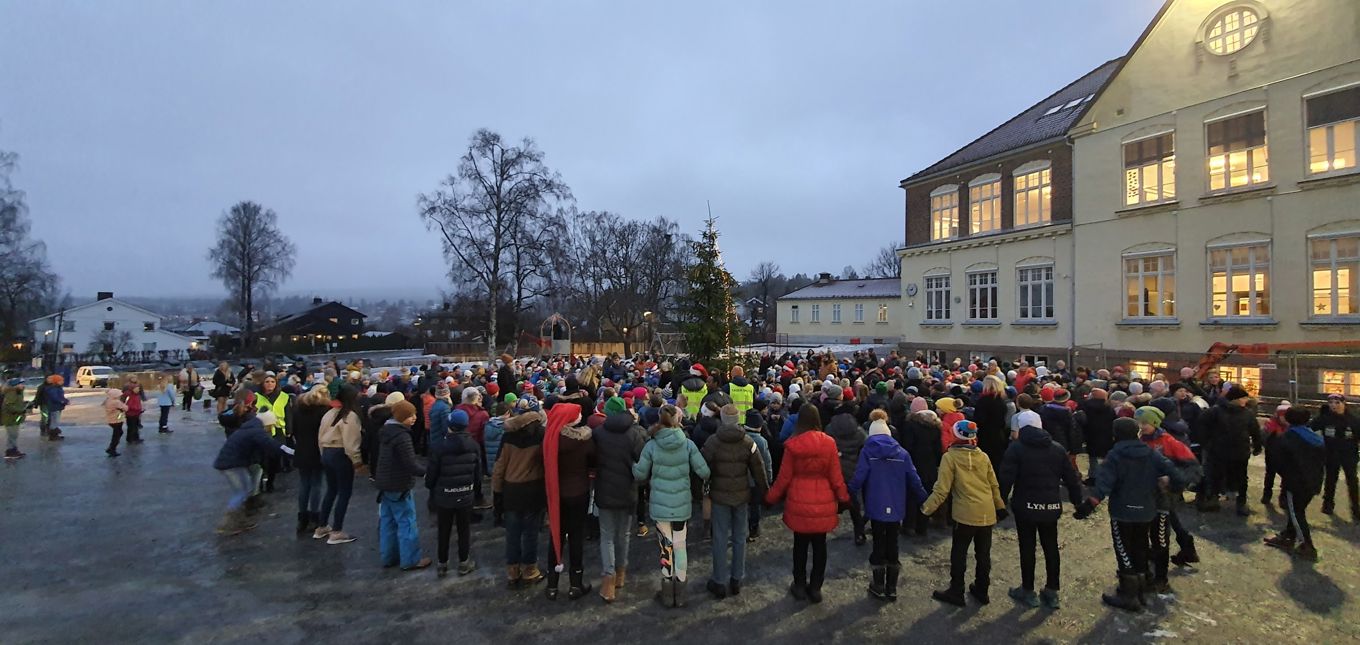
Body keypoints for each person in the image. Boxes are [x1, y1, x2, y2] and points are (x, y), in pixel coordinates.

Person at [1079, 417, 1188, 613]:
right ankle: (1142, 586)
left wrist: (1089, 505)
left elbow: (1103, 484)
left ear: (1116, 434)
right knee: (1140, 547)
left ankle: (1128, 594)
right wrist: (1171, 487)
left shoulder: (1115, 456)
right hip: (1147, 510)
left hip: (1123, 511)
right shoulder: (1151, 453)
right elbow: (1177, 475)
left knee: (1123, 549)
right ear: (1136, 433)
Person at [998, 412, 1084, 609]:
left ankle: (1028, 590)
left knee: (1027, 548)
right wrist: (1078, 502)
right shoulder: (1057, 448)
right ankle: (1052, 590)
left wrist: (1000, 503)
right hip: (1050, 505)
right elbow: (1071, 478)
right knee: (1051, 547)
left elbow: (1006, 478)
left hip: (1025, 505)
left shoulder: (1017, 449)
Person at [764, 405, 848, 604]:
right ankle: (816, 587)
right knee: (820, 547)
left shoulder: (793, 444)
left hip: (799, 502)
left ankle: (799, 584)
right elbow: (836, 476)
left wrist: (770, 498)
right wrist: (844, 498)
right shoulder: (829, 443)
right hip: (823, 501)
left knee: (800, 547)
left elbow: (784, 478)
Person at [922, 420, 1007, 607]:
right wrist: (1000, 506)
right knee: (983, 553)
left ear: (955, 435)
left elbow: (942, 490)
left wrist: (926, 509)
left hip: (965, 513)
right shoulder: (983, 456)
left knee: (959, 552)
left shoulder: (950, 457)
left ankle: (956, 590)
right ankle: (982, 589)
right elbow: (993, 484)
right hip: (986, 512)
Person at [634, 404, 711, 608]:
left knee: (665, 547)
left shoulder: (651, 445)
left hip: (660, 506)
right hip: (681, 504)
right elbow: (704, 471)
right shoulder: (687, 444)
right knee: (680, 546)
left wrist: (632, 465)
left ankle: (667, 592)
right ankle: (682, 591)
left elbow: (640, 474)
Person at [849, 409, 927, 602]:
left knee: (878, 542)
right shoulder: (902, 453)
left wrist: (847, 493)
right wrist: (925, 499)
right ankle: (891, 587)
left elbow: (859, 477)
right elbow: (914, 479)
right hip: (896, 505)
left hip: (875, 504)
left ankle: (878, 584)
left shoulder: (868, 451)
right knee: (893, 542)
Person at [701, 403, 770, 600]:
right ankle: (737, 578)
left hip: (720, 495)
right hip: (741, 495)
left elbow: (702, 466)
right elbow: (759, 468)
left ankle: (719, 580)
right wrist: (765, 492)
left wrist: (700, 492)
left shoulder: (713, 441)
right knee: (740, 537)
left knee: (720, 538)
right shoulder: (748, 441)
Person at [1133, 406, 1202, 594]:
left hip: (1162, 495)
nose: (1141, 426)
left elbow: (1193, 468)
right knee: (1159, 525)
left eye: (1145, 423)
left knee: (1160, 533)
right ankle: (1185, 548)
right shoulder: (1137, 440)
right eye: (1138, 423)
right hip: (1145, 496)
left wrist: (1172, 480)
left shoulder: (1169, 442)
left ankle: (1161, 577)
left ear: (1154, 423)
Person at [213, 392, 293, 535]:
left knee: (246, 489)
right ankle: (227, 524)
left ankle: (240, 519)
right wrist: (293, 453)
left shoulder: (251, 424)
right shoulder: (257, 431)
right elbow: (272, 445)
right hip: (231, 464)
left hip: (232, 461)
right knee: (241, 492)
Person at [593, 396, 647, 602]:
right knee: (623, 534)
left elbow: (592, 460)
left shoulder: (598, 433)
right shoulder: (634, 433)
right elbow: (641, 460)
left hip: (604, 489)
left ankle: (608, 580)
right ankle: (621, 574)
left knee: (606, 535)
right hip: (628, 490)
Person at [543, 402, 598, 601]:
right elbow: (593, 461)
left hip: (556, 492)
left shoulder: (550, 438)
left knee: (556, 535)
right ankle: (576, 583)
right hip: (579, 492)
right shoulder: (584, 440)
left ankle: (552, 585)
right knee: (576, 537)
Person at [493, 396, 548, 589]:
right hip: (534, 488)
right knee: (531, 533)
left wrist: (497, 492)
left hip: (512, 489)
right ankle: (530, 570)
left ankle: (512, 571)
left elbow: (499, 467)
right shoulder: (541, 433)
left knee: (513, 533)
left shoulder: (508, 435)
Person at [1265, 407, 1327, 561]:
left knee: (1296, 512)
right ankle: (1288, 534)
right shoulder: (1315, 437)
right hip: (1314, 480)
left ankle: (1307, 545)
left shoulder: (1287, 438)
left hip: (1296, 482)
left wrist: (1286, 476)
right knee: (1297, 510)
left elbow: (1278, 461)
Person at [375, 399, 430, 570]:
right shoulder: (402, 436)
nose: (414, 418)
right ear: (400, 417)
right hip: (399, 483)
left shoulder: (386, 432)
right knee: (406, 522)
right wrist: (427, 472)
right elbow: (410, 463)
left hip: (384, 482)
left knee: (388, 522)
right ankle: (411, 559)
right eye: (410, 415)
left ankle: (388, 557)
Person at [1197, 385, 1261, 516]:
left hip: (1238, 452)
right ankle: (1215, 499)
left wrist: (1257, 445)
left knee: (1240, 478)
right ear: (1236, 399)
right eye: (1244, 398)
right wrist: (1206, 443)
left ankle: (1240, 500)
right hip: (1220, 450)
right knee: (1216, 475)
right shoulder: (1216, 412)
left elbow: (1255, 431)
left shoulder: (1246, 413)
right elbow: (1202, 427)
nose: (1246, 400)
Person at [315, 385, 365, 545]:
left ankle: (322, 526)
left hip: (327, 452)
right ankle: (337, 531)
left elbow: (320, 436)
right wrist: (357, 462)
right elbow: (351, 443)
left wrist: (323, 454)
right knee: (344, 492)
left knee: (331, 490)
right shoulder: (350, 417)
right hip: (341, 454)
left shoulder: (329, 413)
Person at [825, 391, 868, 546]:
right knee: (854, 503)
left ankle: (818, 531)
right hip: (853, 469)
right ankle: (859, 531)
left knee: (827, 501)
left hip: (835, 469)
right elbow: (865, 447)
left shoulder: (830, 428)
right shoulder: (858, 431)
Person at [291, 385, 330, 536]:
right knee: (317, 484)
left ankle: (302, 518)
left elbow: (293, 430)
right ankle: (315, 517)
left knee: (304, 484)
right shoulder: (323, 412)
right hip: (317, 451)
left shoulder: (298, 410)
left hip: (301, 450)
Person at [1313, 393, 1358, 520]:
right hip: (1331, 454)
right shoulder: (1324, 418)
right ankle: (1328, 503)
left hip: (1349, 455)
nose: (1334, 405)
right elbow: (1309, 428)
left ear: (1344, 404)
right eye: (1331, 403)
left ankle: (1355, 507)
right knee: (1331, 480)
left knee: (1352, 481)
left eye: (1337, 403)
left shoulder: (1353, 419)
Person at [903, 405, 943, 536]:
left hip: (914, 464)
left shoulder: (911, 426)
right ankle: (922, 526)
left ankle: (909, 525)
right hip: (930, 467)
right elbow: (938, 450)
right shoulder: (936, 429)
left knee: (911, 496)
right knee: (926, 496)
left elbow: (907, 446)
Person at [256, 374, 290, 492]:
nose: (270, 384)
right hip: (263, 430)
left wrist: (290, 430)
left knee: (275, 458)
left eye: (272, 382)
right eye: (267, 382)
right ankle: (259, 483)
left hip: (279, 430)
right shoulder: (257, 397)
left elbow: (288, 413)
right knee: (262, 459)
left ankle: (270, 482)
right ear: (262, 384)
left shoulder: (284, 396)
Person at [743, 409, 773, 543]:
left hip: (741, 479)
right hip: (755, 480)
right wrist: (769, 479)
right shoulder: (761, 441)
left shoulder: (741, 438)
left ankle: (739, 528)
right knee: (755, 506)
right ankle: (753, 530)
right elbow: (767, 462)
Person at [973, 375, 1010, 468]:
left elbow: (979, 419)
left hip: (985, 435)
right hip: (999, 434)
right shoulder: (1002, 401)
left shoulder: (984, 401)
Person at [3, 379, 28, 459]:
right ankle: (10, 452)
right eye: (20, 384)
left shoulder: (18, 392)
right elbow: (8, 406)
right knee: (12, 435)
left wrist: (25, 405)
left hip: (15, 417)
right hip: (10, 418)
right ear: (15, 385)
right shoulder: (11, 393)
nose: (23, 385)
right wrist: (21, 410)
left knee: (14, 435)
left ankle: (13, 450)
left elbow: (17, 403)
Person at [102, 388, 128, 457]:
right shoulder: (116, 402)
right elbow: (125, 408)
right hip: (117, 420)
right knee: (117, 435)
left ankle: (111, 448)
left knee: (118, 433)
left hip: (111, 420)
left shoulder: (108, 401)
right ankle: (112, 449)